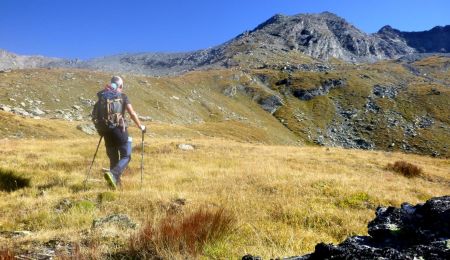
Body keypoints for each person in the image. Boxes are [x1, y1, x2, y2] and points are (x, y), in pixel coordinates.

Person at [92, 76, 146, 189]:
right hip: (118, 130)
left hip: (106, 132)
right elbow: (132, 113)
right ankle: (113, 174)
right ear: (120, 86)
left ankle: (114, 187)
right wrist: (140, 126)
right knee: (126, 156)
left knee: (113, 159)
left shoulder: (102, 97)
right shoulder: (122, 96)